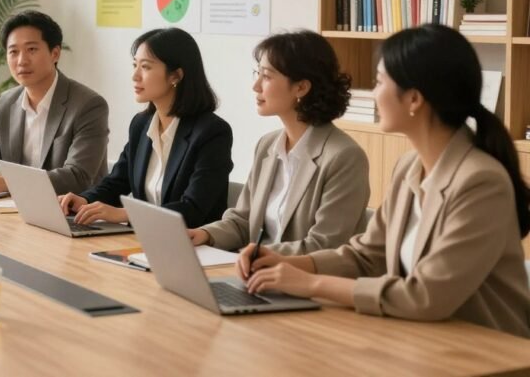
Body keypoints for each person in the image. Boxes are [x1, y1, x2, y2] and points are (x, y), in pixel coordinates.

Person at [242, 25, 530, 338]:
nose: (373, 92)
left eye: (379, 82)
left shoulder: (481, 182)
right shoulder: (409, 168)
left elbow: (426, 296)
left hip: (487, 352)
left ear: (414, 99)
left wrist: (312, 284)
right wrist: (292, 262)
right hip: (419, 340)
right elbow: (366, 255)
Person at [187, 30, 370, 254]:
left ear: (301, 87)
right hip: (256, 272)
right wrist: (205, 234)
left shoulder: (344, 157)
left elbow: (325, 246)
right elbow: (243, 222)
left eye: (267, 76)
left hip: (302, 281)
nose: (256, 86)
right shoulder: (268, 144)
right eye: (258, 73)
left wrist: (259, 255)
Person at [58, 28, 232, 227]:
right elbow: (117, 182)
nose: (135, 76)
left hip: (192, 246)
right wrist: (85, 200)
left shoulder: (212, 132)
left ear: (175, 75)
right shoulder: (141, 125)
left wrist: (125, 214)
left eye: (146, 67)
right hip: (143, 241)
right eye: (135, 65)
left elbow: (192, 209)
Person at [0, 11, 109, 194]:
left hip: (74, 214)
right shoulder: (6, 102)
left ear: (55, 53)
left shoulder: (88, 105)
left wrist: (8, 183)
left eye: (32, 50)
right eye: (13, 52)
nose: (21, 61)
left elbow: (78, 177)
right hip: (18, 211)